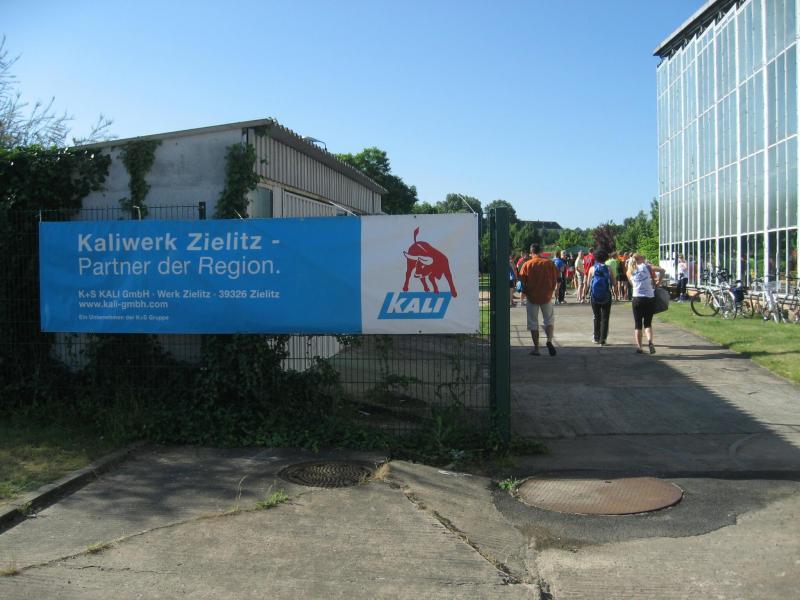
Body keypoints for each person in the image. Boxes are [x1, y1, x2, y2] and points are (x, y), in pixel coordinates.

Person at [518, 244, 559, 356]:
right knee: (549, 321)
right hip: (546, 296)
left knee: (533, 323)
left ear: (531, 252)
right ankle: (549, 340)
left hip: (532, 297)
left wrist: (525, 293)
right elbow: (556, 278)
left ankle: (536, 349)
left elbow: (522, 281)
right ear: (541, 251)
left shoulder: (527, 264)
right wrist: (552, 290)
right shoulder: (549, 263)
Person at [627, 253, 658, 354]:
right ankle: (650, 342)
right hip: (649, 298)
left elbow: (632, 285)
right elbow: (662, 270)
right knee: (648, 323)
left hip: (637, 298)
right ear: (640, 259)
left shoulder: (630, 271)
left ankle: (640, 347)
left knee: (638, 324)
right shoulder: (648, 267)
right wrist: (658, 282)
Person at [587, 248, 615, 345]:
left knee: (596, 317)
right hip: (606, 295)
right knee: (605, 317)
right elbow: (614, 282)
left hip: (595, 296)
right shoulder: (609, 268)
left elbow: (588, 283)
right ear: (606, 258)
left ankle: (596, 337)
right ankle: (603, 339)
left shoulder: (592, 269)